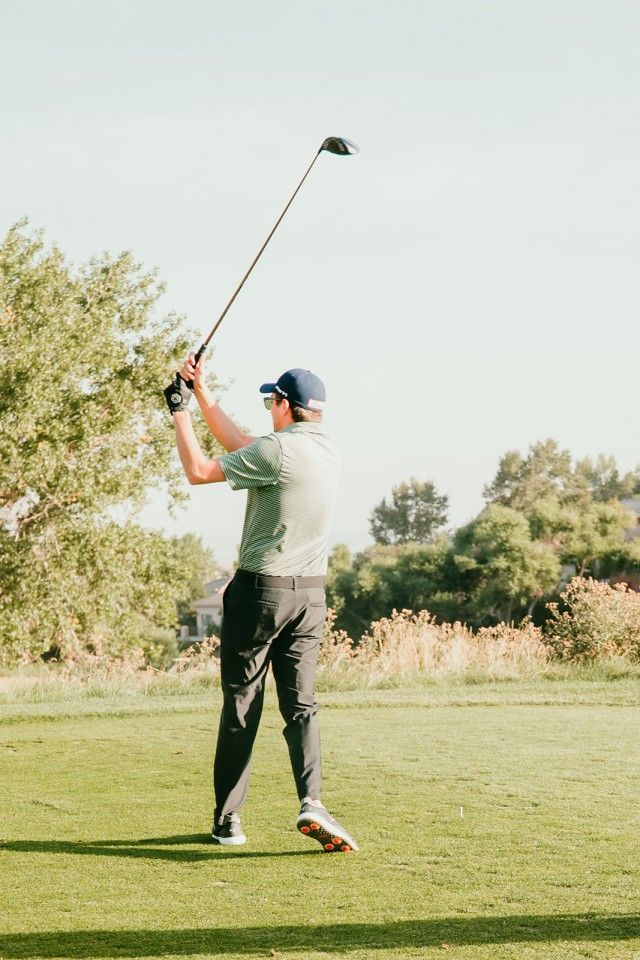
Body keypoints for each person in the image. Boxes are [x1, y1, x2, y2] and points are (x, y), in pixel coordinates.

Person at [164, 355, 359, 853]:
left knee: (242, 705)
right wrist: (201, 392)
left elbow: (198, 469)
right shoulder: (327, 450)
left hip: (260, 592)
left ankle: (227, 821)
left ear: (284, 406)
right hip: (311, 595)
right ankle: (312, 801)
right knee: (301, 704)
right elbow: (240, 445)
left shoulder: (276, 452)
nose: (267, 408)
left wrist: (178, 411)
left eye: (270, 401)